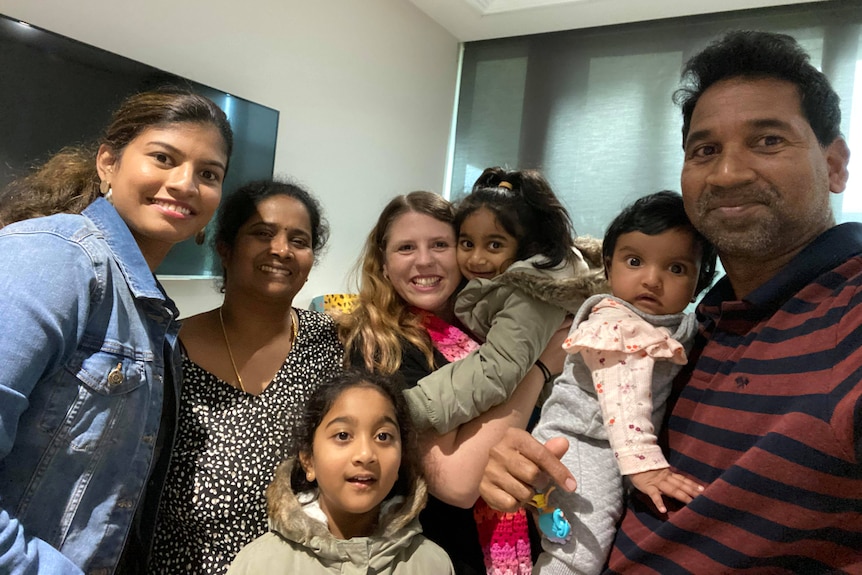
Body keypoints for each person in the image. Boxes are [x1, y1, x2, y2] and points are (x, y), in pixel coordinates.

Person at [479, 30, 862, 573]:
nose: (728, 173)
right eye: (705, 150)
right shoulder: (699, 325)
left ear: (835, 164)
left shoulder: (851, 314)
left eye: (768, 140)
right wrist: (526, 463)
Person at [0, 90, 233, 574]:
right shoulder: (59, 258)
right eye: (163, 158)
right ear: (108, 162)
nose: (186, 184)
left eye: (209, 174)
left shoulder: (146, 305)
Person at [339, 190, 571, 575]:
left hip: (536, 540)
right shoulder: (381, 346)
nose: (424, 261)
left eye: (441, 245)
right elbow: (457, 483)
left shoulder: (496, 325)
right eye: (406, 248)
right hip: (447, 554)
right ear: (383, 263)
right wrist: (541, 366)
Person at [148, 180, 344, 574]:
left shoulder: (334, 345)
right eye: (262, 233)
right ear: (225, 248)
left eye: (299, 240)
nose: (281, 250)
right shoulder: (164, 350)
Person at [528, 190, 716, 574]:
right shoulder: (614, 323)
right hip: (578, 443)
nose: (652, 279)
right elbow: (622, 395)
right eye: (634, 261)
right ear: (609, 268)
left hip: (612, 447)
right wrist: (644, 466)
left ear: (700, 283)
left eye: (676, 268)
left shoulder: (672, 325)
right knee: (579, 554)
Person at [404, 167, 606, 435]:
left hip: (579, 423)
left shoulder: (533, 294)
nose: (476, 259)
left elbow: (495, 369)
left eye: (495, 245)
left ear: (527, 246)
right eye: (466, 244)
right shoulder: (506, 280)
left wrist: (408, 408)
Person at [227, 370, 454, 574]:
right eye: (343, 435)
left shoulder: (431, 564)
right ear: (308, 461)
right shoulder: (260, 565)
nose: (365, 454)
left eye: (383, 436)